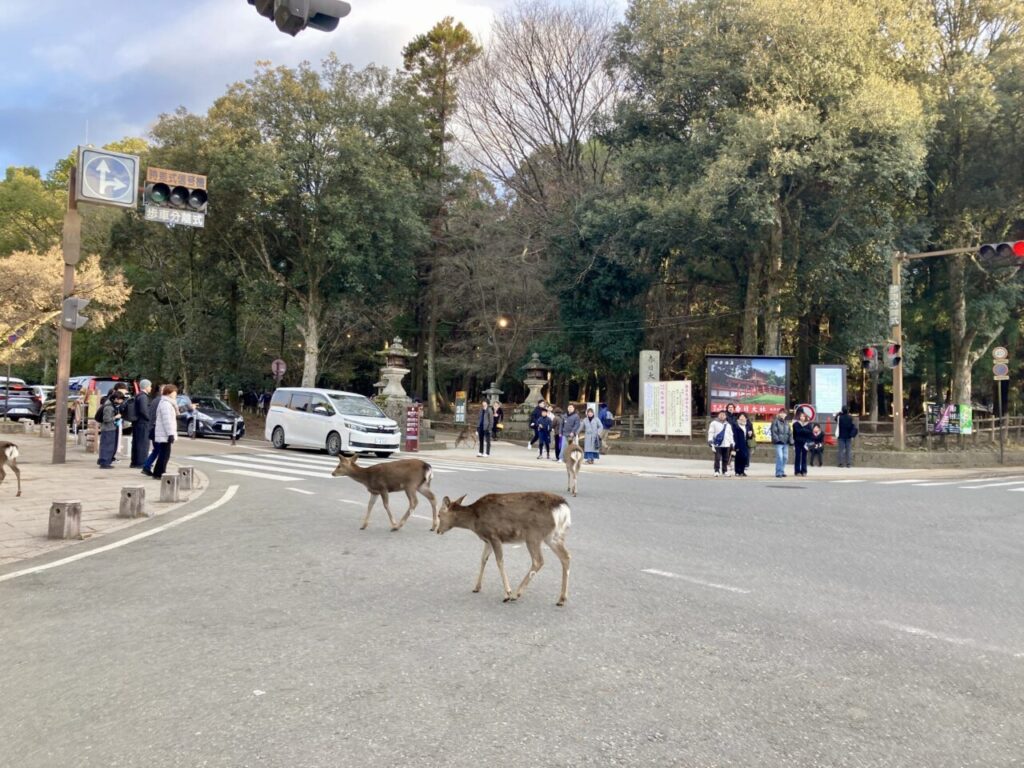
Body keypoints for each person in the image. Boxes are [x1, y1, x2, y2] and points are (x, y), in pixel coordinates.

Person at [151, 384, 179, 480]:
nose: (175, 394)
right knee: (164, 454)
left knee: (164, 453)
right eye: (174, 392)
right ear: (169, 393)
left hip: (164, 433)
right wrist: (170, 434)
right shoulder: (166, 404)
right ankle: (159, 472)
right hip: (165, 433)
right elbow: (167, 421)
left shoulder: (167, 403)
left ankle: (158, 472)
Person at [96, 390, 125, 469]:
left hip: (110, 428)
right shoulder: (109, 407)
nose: (121, 401)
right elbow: (106, 419)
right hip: (108, 429)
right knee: (107, 446)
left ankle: (104, 461)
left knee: (107, 445)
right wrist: (116, 417)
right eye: (120, 399)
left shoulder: (110, 404)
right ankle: (105, 463)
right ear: (116, 399)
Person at [130, 380, 153, 468]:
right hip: (143, 423)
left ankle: (135, 462)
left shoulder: (138, 395)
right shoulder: (143, 397)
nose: (151, 388)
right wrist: (149, 419)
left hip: (137, 423)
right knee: (143, 443)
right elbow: (144, 410)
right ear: (146, 386)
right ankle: (141, 462)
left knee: (136, 442)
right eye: (150, 386)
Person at [706, 410, 735, 477]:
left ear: (725, 416)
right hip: (717, 444)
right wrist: (710, 440)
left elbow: (731, 434)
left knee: (726, 458)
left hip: (727, 444)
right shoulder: (714, 423)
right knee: (717, 458)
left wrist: (732, 442)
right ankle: (716, 471)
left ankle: (725, 471)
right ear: (718, 415)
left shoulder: (728, 425)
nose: (722, 416)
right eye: (721, 414)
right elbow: (711, 432)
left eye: (723, 415)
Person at [770, 408, 792, 478]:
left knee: (785, 457)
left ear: (786, 415)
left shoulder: (787, 423)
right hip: (779, 443)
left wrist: (791, 440)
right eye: (781, 413)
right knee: (780, 457)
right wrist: (777, 440)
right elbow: (774, 432)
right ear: (779, 413)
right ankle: (778, 472)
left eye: (784, 413)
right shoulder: (775, 422)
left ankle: (781, 471)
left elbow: (790, 432)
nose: (783, 414)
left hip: (786, 443)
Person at [732, 412, 755, 477]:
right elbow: (734, 435)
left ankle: (742, 471)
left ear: (746, 418)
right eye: (741, 416)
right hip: (738, 442)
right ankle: (737, 471)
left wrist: (750, 435)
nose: (742, 418)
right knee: (738, 458)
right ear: (738, 417)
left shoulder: (748, 425)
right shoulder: (735, 425)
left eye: (744, 416)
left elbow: (751, 435)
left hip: (746, 443)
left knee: (745, 457)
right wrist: (735, 444)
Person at [792, 408, 813, 477]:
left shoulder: (809, 424)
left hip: (806, 443)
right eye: (801, 416)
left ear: (805, 417)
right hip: (797, 442)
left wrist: (803, 430)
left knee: (804, 457)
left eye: (803, 416)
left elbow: (810, 433)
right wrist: (804, 430)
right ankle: (797, 471)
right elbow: (796, 433)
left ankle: (804, 471)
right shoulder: (796, 424)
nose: (802, 417)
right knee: (797, 457)